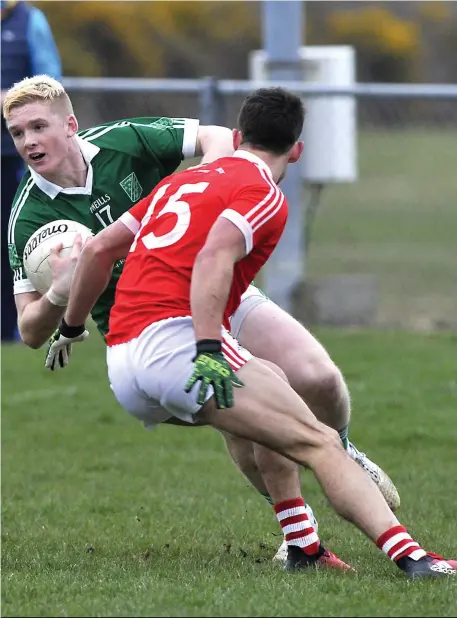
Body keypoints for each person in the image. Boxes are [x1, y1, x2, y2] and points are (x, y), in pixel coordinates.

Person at [57, 86, 456, 579]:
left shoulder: (182, 182)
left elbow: (97, 252)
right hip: (178, 342)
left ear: (239, 135)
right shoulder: (264, 191)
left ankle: (304, 549)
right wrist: (207, 348)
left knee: (272, 392)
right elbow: (213, 256)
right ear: (296, 150)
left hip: (123, 362)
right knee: (319, 442)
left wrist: (70, 327)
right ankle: (415, 560)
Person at [1, 1, 61, 341]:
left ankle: (16, 325)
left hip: (14, 155)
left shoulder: (30, 21)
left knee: (14, 240)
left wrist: (10, 101)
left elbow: (50, 86)